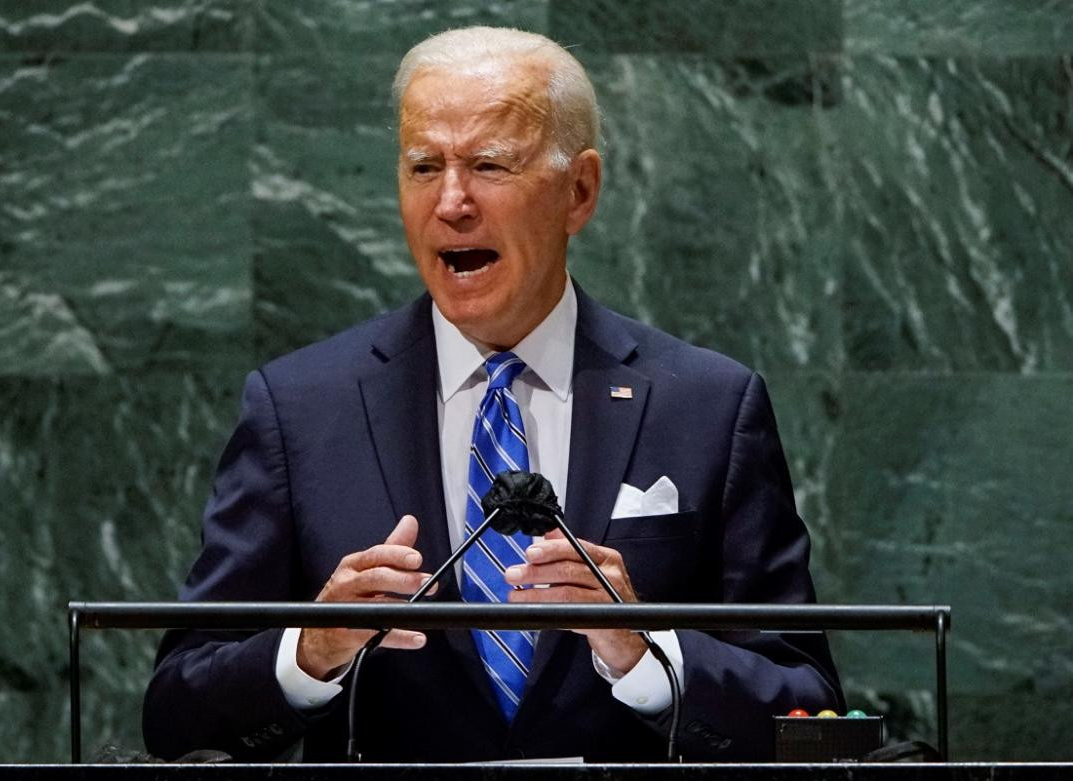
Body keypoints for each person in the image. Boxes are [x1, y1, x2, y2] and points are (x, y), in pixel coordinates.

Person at [143, 26, 842, 763]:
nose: (451, 202)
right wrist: (310, 650)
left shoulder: (707, 406)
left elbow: (811, 709)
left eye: (488, 165)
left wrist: (645, 648)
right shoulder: (301, 408)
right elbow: (176, 711)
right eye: (422, 166)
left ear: (579, 191)